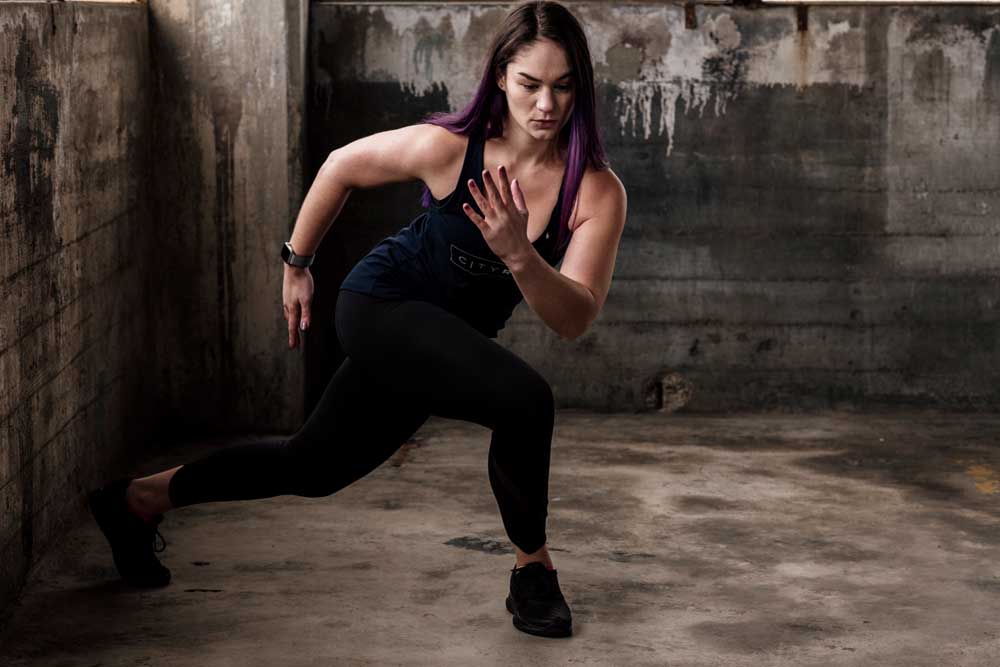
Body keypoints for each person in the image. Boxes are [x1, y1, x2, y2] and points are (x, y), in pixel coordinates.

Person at [87, 0, 626, 640]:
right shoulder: (451, 148)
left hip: (436, 342)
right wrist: (297, 263)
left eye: (563, 86)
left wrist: (518, 254)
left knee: (313, 466)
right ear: (501, 77)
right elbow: (341, 165)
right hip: (380, 304)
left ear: (581, 88)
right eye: (530, 84)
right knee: (526, 401)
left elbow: (574, 317)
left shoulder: (594, 192)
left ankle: (136, 502)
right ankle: (532, 572)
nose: (545, 104)